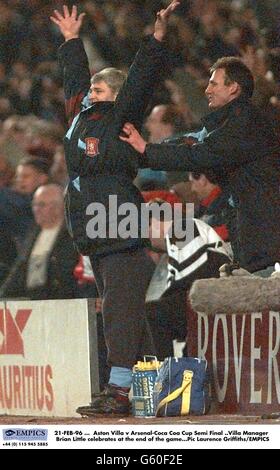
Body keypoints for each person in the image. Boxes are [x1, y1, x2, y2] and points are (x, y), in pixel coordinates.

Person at [50, 1, 180, 415]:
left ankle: (119, 392)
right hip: (94, 229)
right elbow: (74, 78)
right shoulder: (78, 117)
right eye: (92, 90)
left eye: (100, 90)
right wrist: (71, 41)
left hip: (118, 221)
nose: (91, 93)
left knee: (118, 315)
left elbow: (141, 77)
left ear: (117, 97)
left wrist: (157, 37)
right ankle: (156, 382)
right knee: (124, 311)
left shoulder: (119, 115)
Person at [121, 56, 280, 276]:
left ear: (233, 88)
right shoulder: (229, 122)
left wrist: (147, 150)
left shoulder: (247, 123)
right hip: (254, 238)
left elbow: (200, 154)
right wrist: (144, 150)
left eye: (214, 83)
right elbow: (192, 140)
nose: (207, 90)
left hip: (267, 240)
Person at [0, 184, 79, 300]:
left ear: (59, 207)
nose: (36, 209)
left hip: (61, 300)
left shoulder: (72, 236)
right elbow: (19, 270)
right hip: (31, 301)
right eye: (34, 204)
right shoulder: (32, 234)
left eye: (41, 205)